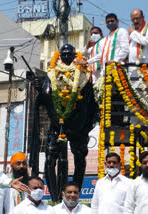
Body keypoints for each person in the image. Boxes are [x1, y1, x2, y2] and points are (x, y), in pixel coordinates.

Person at [31, 44, 98, 201]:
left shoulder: (83, 75)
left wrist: (86, 123)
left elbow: (90, 101)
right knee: (49, 159)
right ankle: (55, 197)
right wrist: (39, 89)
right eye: (64, 54)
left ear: (74, 56)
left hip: (77, 126)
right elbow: (46, 95)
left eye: (70, 54)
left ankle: (75, 194)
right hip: (57, 124)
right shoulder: (52, 74)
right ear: (60, 56)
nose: (67, 57)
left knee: (79, 158)